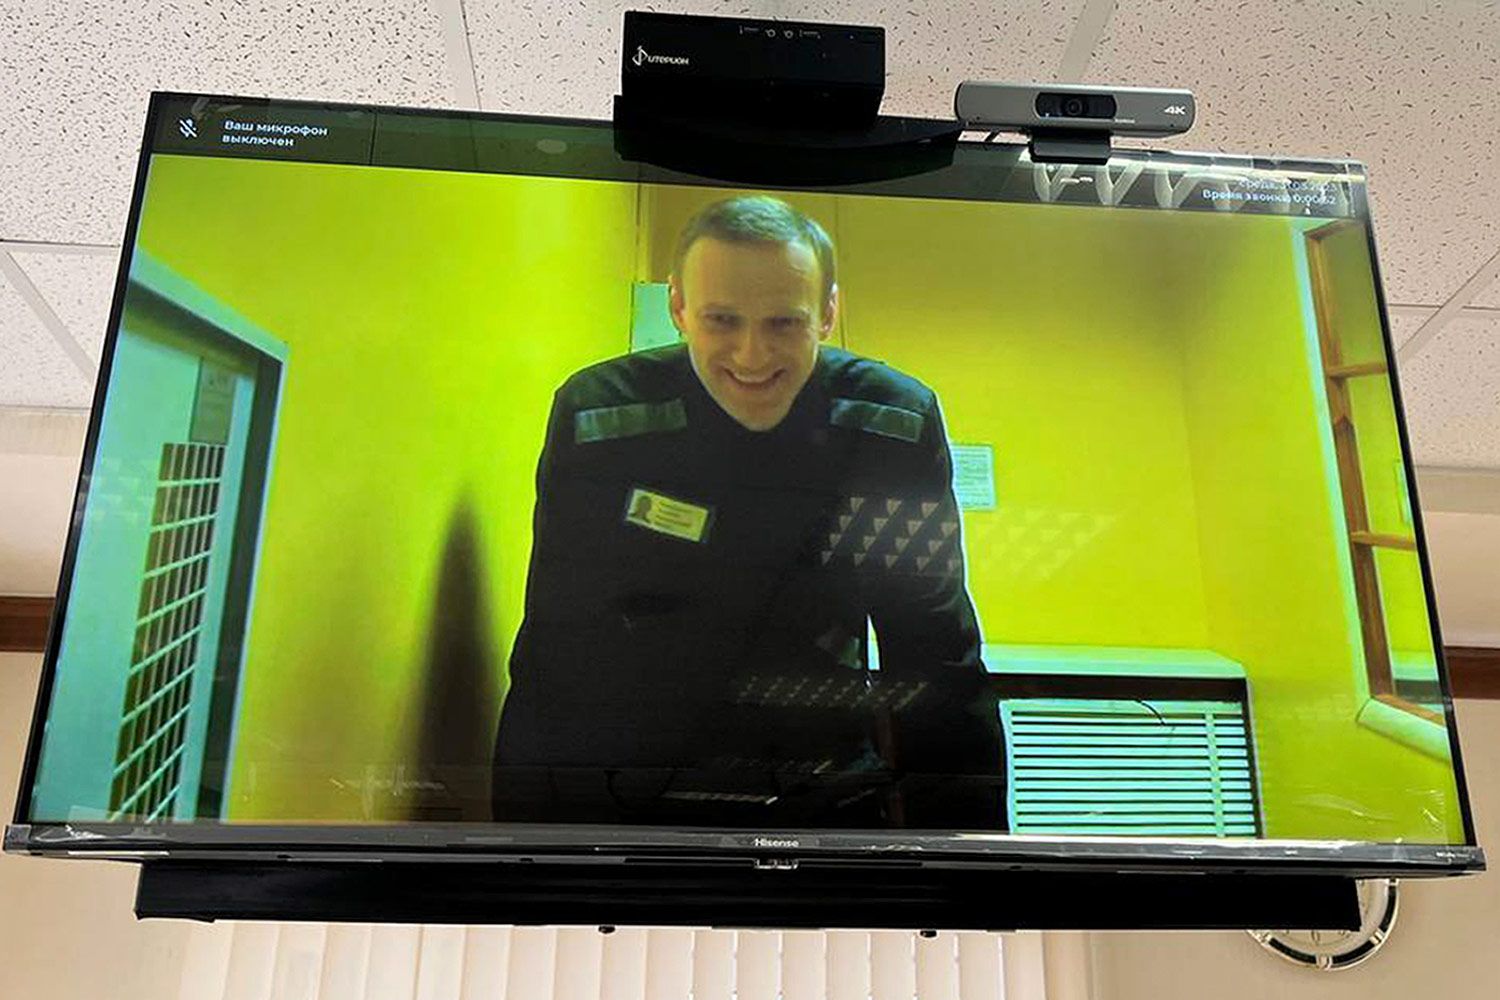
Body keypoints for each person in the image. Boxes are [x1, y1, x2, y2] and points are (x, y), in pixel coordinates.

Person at [492, 195, 1005, 830]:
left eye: (784, 323)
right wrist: (523, 847)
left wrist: (967, 854)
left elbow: (935, 655)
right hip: (637, 799)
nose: (752, 355)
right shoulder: (600, 417)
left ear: (828, 313)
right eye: (722, 320)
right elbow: (556, 645)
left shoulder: (891, 425)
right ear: (678, 308)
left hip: (823, 794)